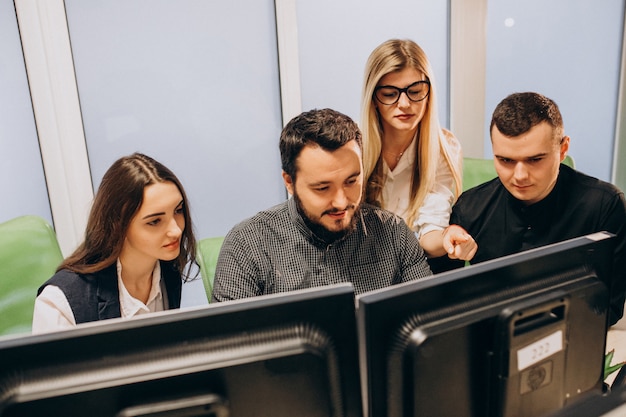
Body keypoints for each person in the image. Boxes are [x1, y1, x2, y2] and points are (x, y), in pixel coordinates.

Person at [435, 92, 626, 325]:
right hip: (491, 340)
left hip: (571, 340)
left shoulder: (605, 205)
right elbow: (440, 305)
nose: (520, 176)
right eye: (505, 160)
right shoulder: (470, 208)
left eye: (535, 160)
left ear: (563, 149)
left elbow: (610, 308)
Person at [211, 108, 432, 301]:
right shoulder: (248, 246)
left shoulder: (393, 234)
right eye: (322, 188)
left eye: (351, 181)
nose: (341, 201)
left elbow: (431, 325)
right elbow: (226, 344)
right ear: (289, 182)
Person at [32, 152, 198, 333]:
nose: (175, 230)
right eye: (154, 221)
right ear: (118, 225)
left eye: (178, 210)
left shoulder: (168, 271)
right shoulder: (59, 302)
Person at [360, 38, 476, 263]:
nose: (404, 103)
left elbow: (430, 232)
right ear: (373, 98)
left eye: (415, 91)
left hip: (416, 262)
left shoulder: (444, 147)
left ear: (429, 92)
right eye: (390, 94)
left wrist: (445, 238)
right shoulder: (353, 146)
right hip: (361, 262)